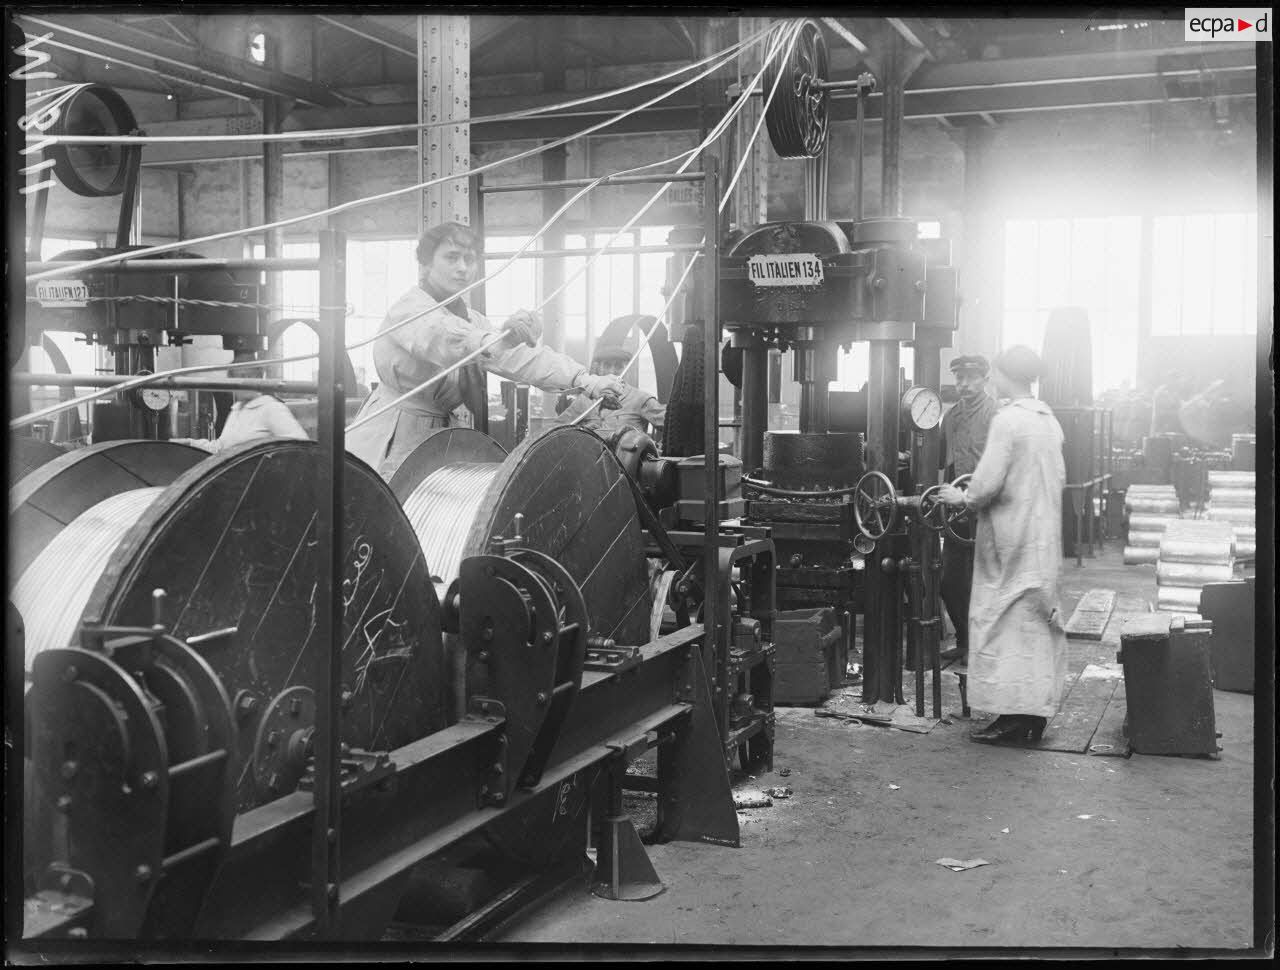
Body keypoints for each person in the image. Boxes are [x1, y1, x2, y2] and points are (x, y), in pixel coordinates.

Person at [346, 222, 626, 475]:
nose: (462, 268)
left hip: (439, 434)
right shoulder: (410, 309)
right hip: (391, 432)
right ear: (426, 264)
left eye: (469, 259)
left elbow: (520, 358)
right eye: (451, 257)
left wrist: (585, 380)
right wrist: (501, 339)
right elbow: (442, 339)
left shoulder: (473, 321)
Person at [938, 345, 1068, 745]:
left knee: (1003, 623)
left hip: (1009, 538)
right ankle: (1032, 717)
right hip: (1042, 536)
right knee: (1036, 625)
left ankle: (1012, 718)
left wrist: (958, 497)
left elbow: (984, 485)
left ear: (1005, 375)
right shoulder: (1048, 419)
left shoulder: (1008, 420)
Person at [937, 354, 999, 664]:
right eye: (959, 378)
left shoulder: (996, 415)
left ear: (985, 380)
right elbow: (940, 461)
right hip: (958, 512)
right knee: (950, 583)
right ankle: (965, 640)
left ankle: (984, 648)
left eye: (971, 378)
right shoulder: (951, 417)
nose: (964, 384)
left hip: (989, 510)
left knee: (985, 583)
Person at [172, 356, 308, 453]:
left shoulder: (271, 408)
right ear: (231, 382)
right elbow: (220, 448)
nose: (245, 382)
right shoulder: (237, 410)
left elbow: (301, 448)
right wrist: (190, 443)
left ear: (259, 378)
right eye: (239, 376)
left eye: (250, 376)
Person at [557, 341, 666, 436]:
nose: (612, 371)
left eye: (618, 366)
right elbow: (557, 428)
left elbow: (671, 424)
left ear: (627, 369)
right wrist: (581, 430)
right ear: (598, 368)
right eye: (607, 365)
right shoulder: (584, 400)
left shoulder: (640, 399)